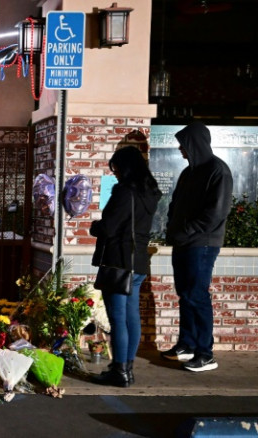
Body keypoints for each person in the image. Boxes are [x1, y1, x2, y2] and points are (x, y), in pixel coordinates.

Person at [161, 121, 233, 372]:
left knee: (197, 295)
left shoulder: (217, 171)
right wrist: (173, 228)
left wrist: (185, 231)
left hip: (202, 244)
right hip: (183, 242)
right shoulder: (188, 172)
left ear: (194, 144)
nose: (180, 149)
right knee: (186, 294)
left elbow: (216, 213)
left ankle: (205, 353)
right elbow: (175, 204)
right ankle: (187, 344)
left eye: (183, 144)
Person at [90, 146, 162, 387]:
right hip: (139, 261)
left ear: (125, 168)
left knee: (118, 318)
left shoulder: (125, 192)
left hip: (119, 260)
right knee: (132, 317)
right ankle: (127, 367)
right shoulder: (149, 192)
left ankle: (119, 370)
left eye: (117, 169)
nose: (116, 174)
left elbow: (109, 227)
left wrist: (94, 227)